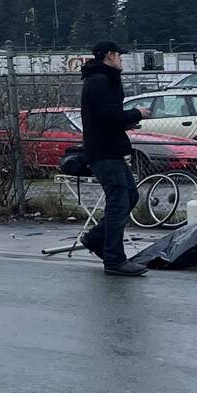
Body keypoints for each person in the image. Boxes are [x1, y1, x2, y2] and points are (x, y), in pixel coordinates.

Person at [79, 41, 149, 276]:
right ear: (109, 56)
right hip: (104, 152)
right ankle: (114, 259)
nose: (122, 60)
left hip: (110, 149)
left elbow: (105, 117)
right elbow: (108, 115)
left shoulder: (102, 79)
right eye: (119, 56)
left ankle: (96, 239)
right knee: (119, 202)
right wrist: (135, 113)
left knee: (130, 195)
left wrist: (126, 121)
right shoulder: (100, 81)